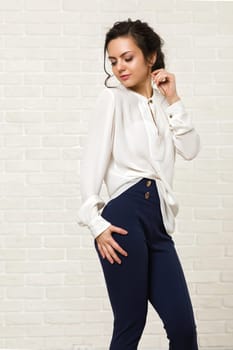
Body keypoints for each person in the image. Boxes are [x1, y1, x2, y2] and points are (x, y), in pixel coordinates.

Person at [78, 19, 200, 350]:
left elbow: (189, 150)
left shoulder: (163, 105)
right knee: (131, 325)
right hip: (124, 218)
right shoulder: (113, 100)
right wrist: (96, 223)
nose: (119, 67)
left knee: (183, 329)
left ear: (151, 57)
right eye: (113, 60)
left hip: (158, 222)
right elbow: (91, 164)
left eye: (127, 58)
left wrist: (173, 100)